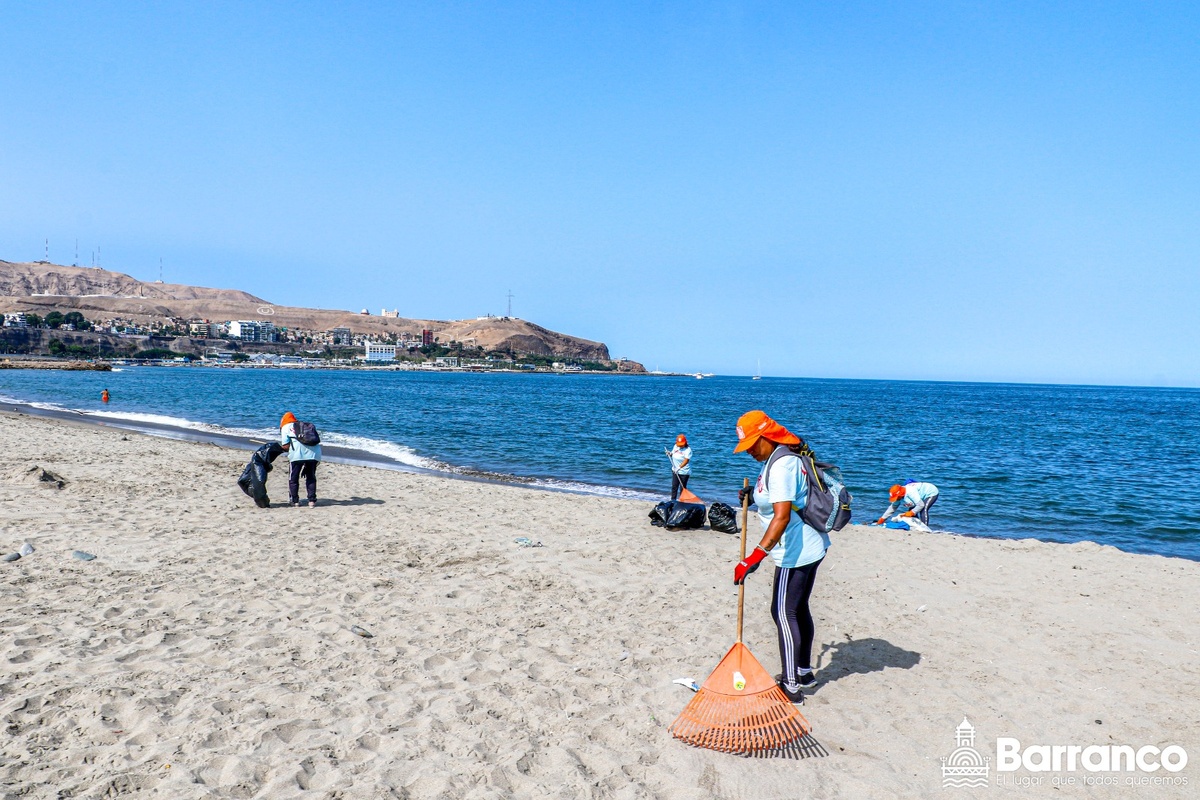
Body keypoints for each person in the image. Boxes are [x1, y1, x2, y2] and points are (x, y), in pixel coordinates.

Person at [731, 410, 829, 704]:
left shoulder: (783, 465)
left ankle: (791, 688)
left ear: (765, 437)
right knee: (798, 609)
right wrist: (752, 494)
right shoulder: (776, 459)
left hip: (794, 551)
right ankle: (803, 672)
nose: (748, 451)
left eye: (751, 444)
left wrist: (754, 558)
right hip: (810, 546)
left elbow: (782, 516)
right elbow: (774, 499)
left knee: (783, 613)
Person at [279, 412, 321, 507]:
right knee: (311, 476)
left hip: (297, 455)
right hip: (314, 454)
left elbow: (285, 446)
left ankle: (295, 501)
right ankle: (312, 501)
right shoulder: (303, 426)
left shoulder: (285, 427)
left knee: (293, 478)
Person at [668, 434, 692, 500]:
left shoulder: (688, 450)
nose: (680, 446)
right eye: (679, 444)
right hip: (675, 471)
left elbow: (686, 460)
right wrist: (669, 454)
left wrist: (679, 467)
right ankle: (673, 501)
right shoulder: (676, 446)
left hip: (684, 472)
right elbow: (673, 453)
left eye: (682, 444)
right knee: (674, 487)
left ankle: (682, 502)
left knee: (682, 488)